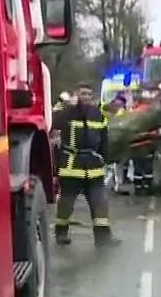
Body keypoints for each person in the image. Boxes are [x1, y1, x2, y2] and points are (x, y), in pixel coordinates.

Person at [52, 83, 121, 246]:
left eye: (89, 94)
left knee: (100, 201)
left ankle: (103, 236)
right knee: (66, 202)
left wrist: (106, 159)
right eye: (83, 94)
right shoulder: (66, 114)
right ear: (76, 95)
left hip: (93, 165)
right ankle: (61, 232)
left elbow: (104, 140)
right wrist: (64, 104)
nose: (86, 97)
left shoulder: (98, 115)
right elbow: (52, 121)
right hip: (71, 165)